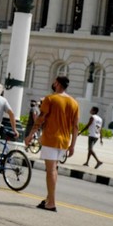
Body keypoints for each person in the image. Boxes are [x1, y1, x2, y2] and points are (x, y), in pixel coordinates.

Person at [23, 75, 79, 211]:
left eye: (55, 82)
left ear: (58, 84)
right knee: (54, 169)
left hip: (51, 138)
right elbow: (75, 126)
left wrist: (30, 135)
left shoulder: (50, 99)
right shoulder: (74, 103)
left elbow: (41, 118)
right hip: (64, 141)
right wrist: (72, 145)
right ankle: (49, 198)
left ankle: (51, 202)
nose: (53, 84)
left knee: (50, 171)